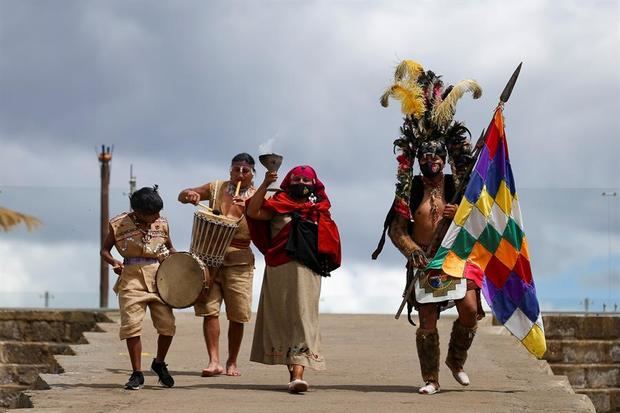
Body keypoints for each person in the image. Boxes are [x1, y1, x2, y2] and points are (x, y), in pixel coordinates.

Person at [373, 59, 484, 395]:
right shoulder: (410, 189)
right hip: (425, 261)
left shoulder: (458, 187)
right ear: (419, 159)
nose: (432, 159)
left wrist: (459, 211)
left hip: (455, 257)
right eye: (426, 156)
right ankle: (431, 379)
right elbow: (396, 230)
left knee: (469, 311)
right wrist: (412, 250)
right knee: (427, 321)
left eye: (438, 155)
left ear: (445, 158)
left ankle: (456, 360)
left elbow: (478, 221)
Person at [246, 165, 341, 393]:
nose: (302, 183)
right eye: (297, 179)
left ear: (314, 184)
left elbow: (329, 240)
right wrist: (265, 184)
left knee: (303, 318)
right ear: (289, 181)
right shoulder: (277, 204)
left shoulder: (319, 209)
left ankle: (298, 375)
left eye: (306, 180)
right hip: (280, 270)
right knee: (284, 318)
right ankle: (293, 373)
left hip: (308, 272)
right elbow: (252, 211)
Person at [177, 153, 256, 377]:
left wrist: (251, 204)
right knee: (209, 310)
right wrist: (189, 195)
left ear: (252, 173)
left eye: (245, 170)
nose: (239, 174)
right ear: (230, 169)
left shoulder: (257, 195)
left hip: (239, 260)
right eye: (236, 169)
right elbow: (182, 196)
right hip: (208, 257)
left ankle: (232, 362)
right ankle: (214, 361)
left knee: (238, 314)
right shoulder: (216, 187)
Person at [100, 186, 176, 390]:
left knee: (168, 326)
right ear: (138, 212)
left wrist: (179, 265)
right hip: (131, 280)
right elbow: (104, 250)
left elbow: (170, 248)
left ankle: (159, 363)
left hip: (159, 280)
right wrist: (115, 262)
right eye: (153, 214)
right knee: (132, 326)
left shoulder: (162, 224)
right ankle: (137, 373)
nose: (157, 217)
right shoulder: (119, 224)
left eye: (159, 212)